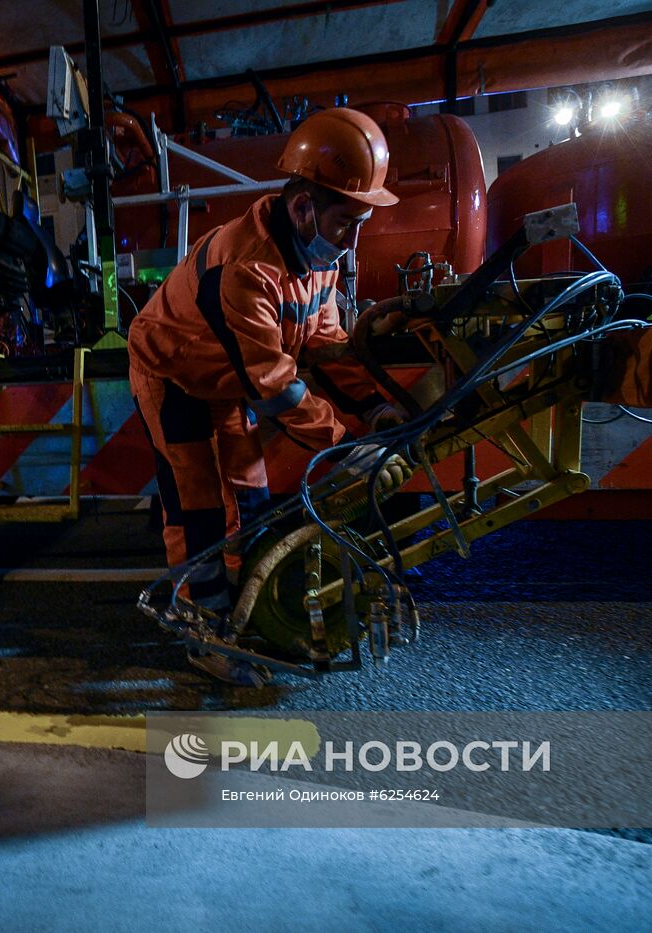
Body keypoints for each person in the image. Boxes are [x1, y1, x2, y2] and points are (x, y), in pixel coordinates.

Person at [127, 107, 413, 686]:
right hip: (174, 373)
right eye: (346, 221)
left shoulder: (317, 257)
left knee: (252, 496)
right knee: (199, 504)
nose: (353, 238)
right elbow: (277, 385)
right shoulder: (247, 266)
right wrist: (343, 446)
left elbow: (325, 341)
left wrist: (372, 409)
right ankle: (202, 633)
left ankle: (246, 609)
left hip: (227, 378)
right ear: (305, 205)